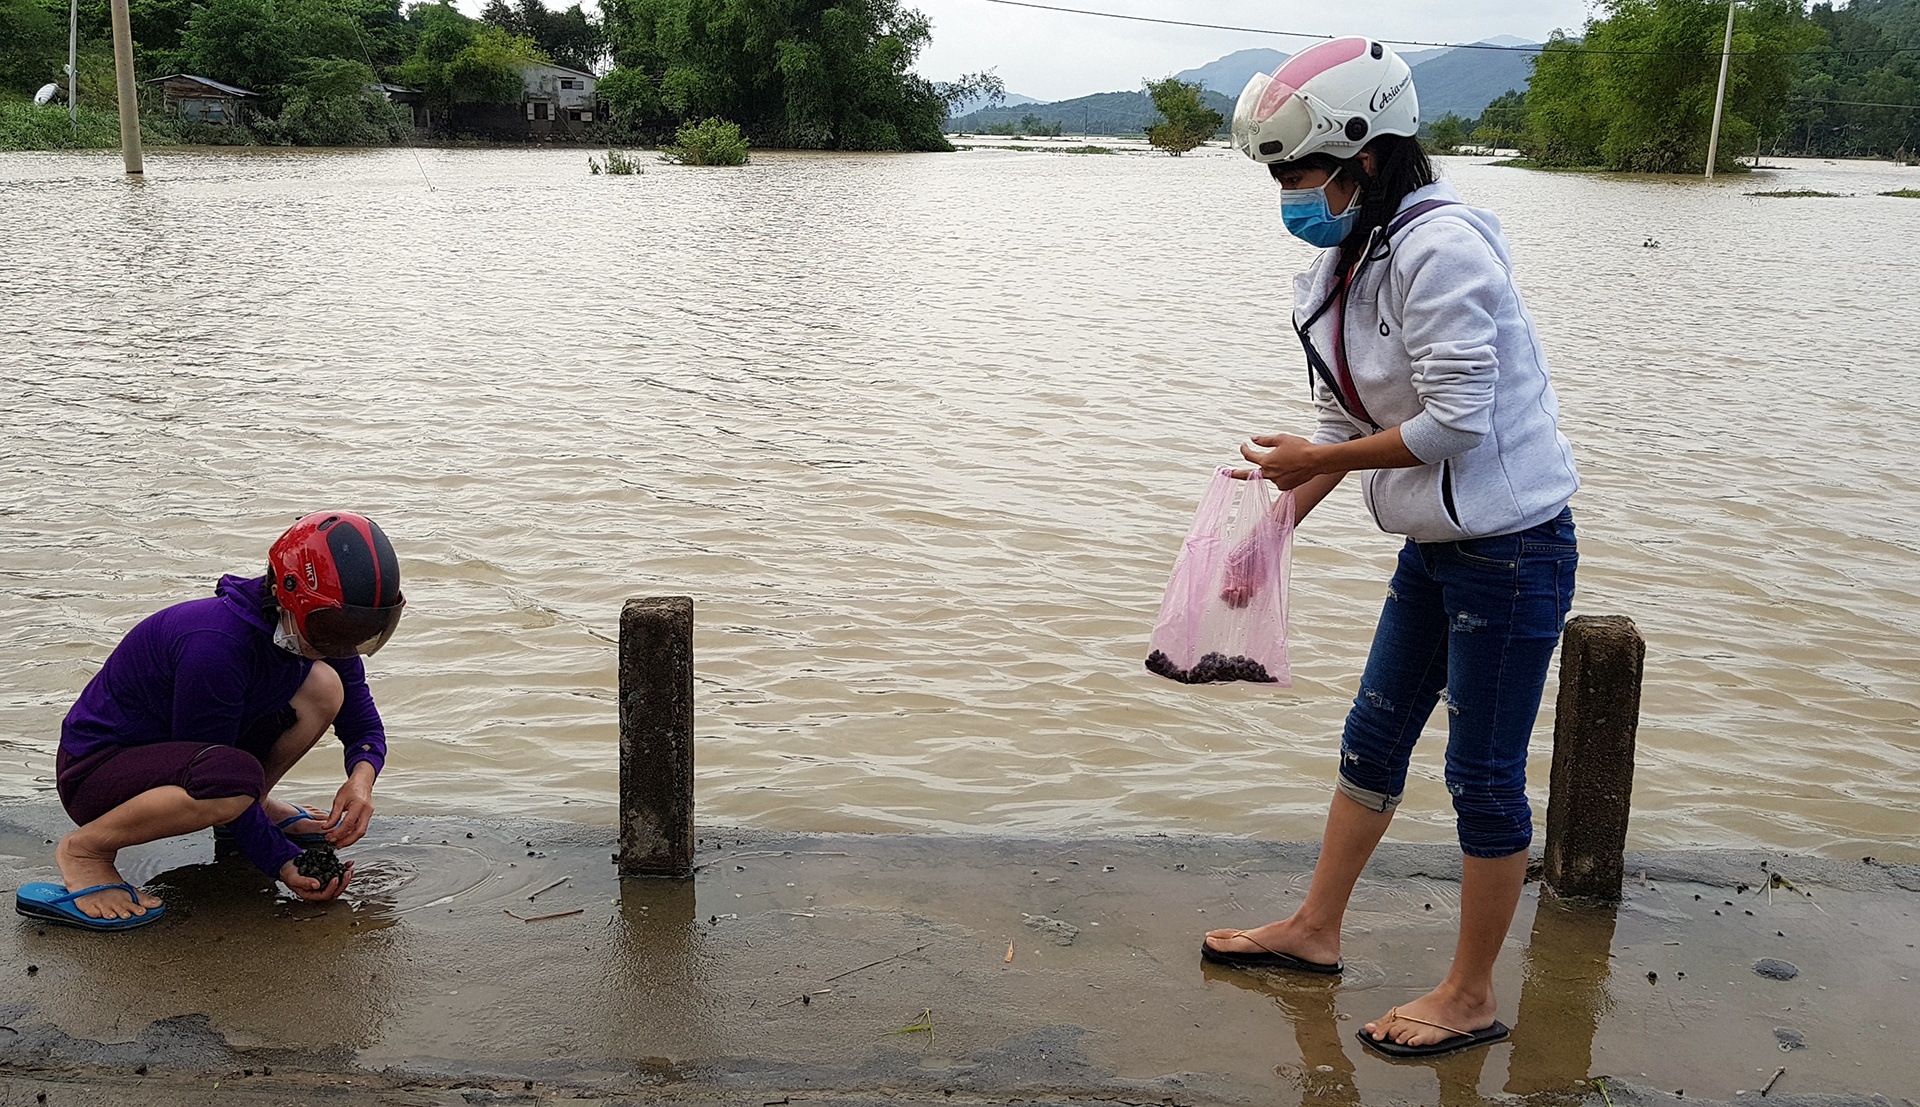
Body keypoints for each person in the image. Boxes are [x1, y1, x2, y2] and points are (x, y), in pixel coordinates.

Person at [1197, 38, 1580, 1060]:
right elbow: (1336, 434)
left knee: (1482, 775)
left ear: (1366, 155)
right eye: (1277, 173)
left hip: (1513, 550)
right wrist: (1272, 529)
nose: (1287, 191)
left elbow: (1455, 423)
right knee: (1371, 739)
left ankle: (1469, 993)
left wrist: (1303, 469)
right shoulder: (1336, 265)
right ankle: (1316, 932)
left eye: (1297, 169)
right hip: (1434, 547)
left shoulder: (1444, 246)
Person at [14, 512, 407, 931]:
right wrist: (283, 861)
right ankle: (85, 852)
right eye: (332, 630)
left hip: (185, 761)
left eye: (363, 632)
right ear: (285, 592)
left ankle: (250, 807)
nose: (345, 645)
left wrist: (361, 780)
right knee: (232, 781)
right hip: (97, 774)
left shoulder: (319, 635)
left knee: (325, 686)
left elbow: (361, 720)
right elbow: (217, 771)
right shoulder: (215, 646)